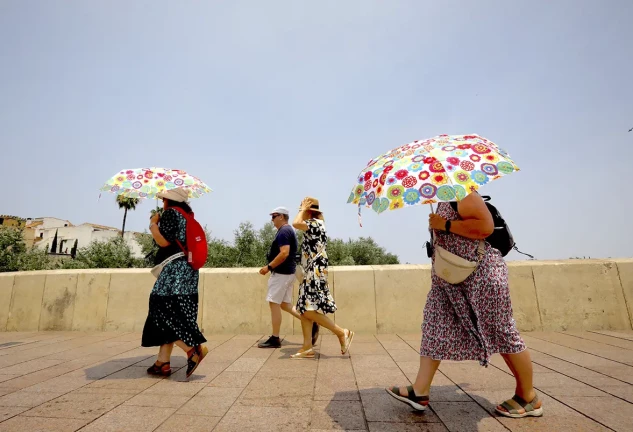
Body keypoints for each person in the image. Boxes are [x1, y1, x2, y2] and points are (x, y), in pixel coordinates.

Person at [387, 192, 542, 418]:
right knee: (433, 324)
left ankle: (528, 396)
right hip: (450, 280)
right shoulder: (445, 198)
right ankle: (419, 390)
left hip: (482, 275)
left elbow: (485, 227)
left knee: (502, 332)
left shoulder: (463, 194)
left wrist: (445, 224)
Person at [141, 188, 208, 379]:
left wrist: (153, 225)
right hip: (188, 271)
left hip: (175, 271)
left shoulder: (170, 214)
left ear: (169, 200)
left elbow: (163, 242)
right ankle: (162, 362)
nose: (162, 201)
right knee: (175, 312)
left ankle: (192, 350)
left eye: (163, 198)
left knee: (160, 308)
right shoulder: (186, 215)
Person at [290, 197, 354, 359]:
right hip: (312, 270)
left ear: (309, 211)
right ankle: (307, 347)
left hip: (315, 271)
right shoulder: (315, 225)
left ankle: (341, 332)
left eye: (304, 209)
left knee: (309, 310)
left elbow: (295, 224)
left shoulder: (315, 223)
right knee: (304, 310)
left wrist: (301, 209)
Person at [258, 206, 318, 348]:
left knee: (273, 303)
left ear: (281, 216)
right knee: (285, 305)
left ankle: (275, 338)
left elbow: (284, 253)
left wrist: (269, 267)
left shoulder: (284, 231)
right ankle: (312, 322)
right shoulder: (286, 230)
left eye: (274, 216)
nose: (272, 220)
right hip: (288, 273)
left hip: (281, 274)